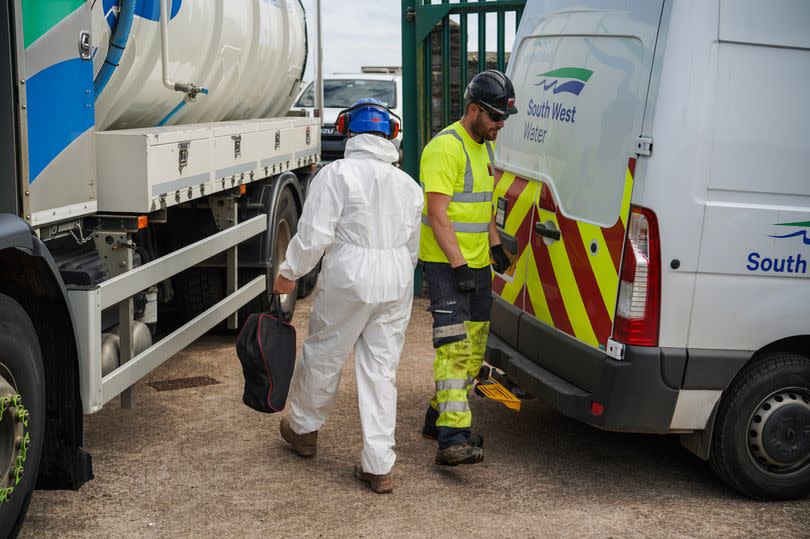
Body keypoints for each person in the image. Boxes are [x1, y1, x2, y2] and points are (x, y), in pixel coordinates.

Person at [272, 98, 424, 494]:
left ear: (348, 131)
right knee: (381, 368)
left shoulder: (336, 174)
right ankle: (378, 466)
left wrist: (289, 272)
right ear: (390, 134)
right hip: (396, 277)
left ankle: (304, 431)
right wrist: (400, 274)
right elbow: (412, 247)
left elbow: (316, 236)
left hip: (350, 273)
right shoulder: (408, 185)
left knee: (325, 352)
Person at [418, 70, 516, 466]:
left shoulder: (483, 147)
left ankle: (436, 418)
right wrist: (458, 266)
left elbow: (484, 204)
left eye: (504, 119)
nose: (500, 125)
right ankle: (453, 439)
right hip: (447, 266)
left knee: (474, 352)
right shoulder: (445, 149)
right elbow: (438, 215)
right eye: (495, 117)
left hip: (476, 263)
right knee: (454, 349)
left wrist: (494, 246)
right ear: (473, 109)